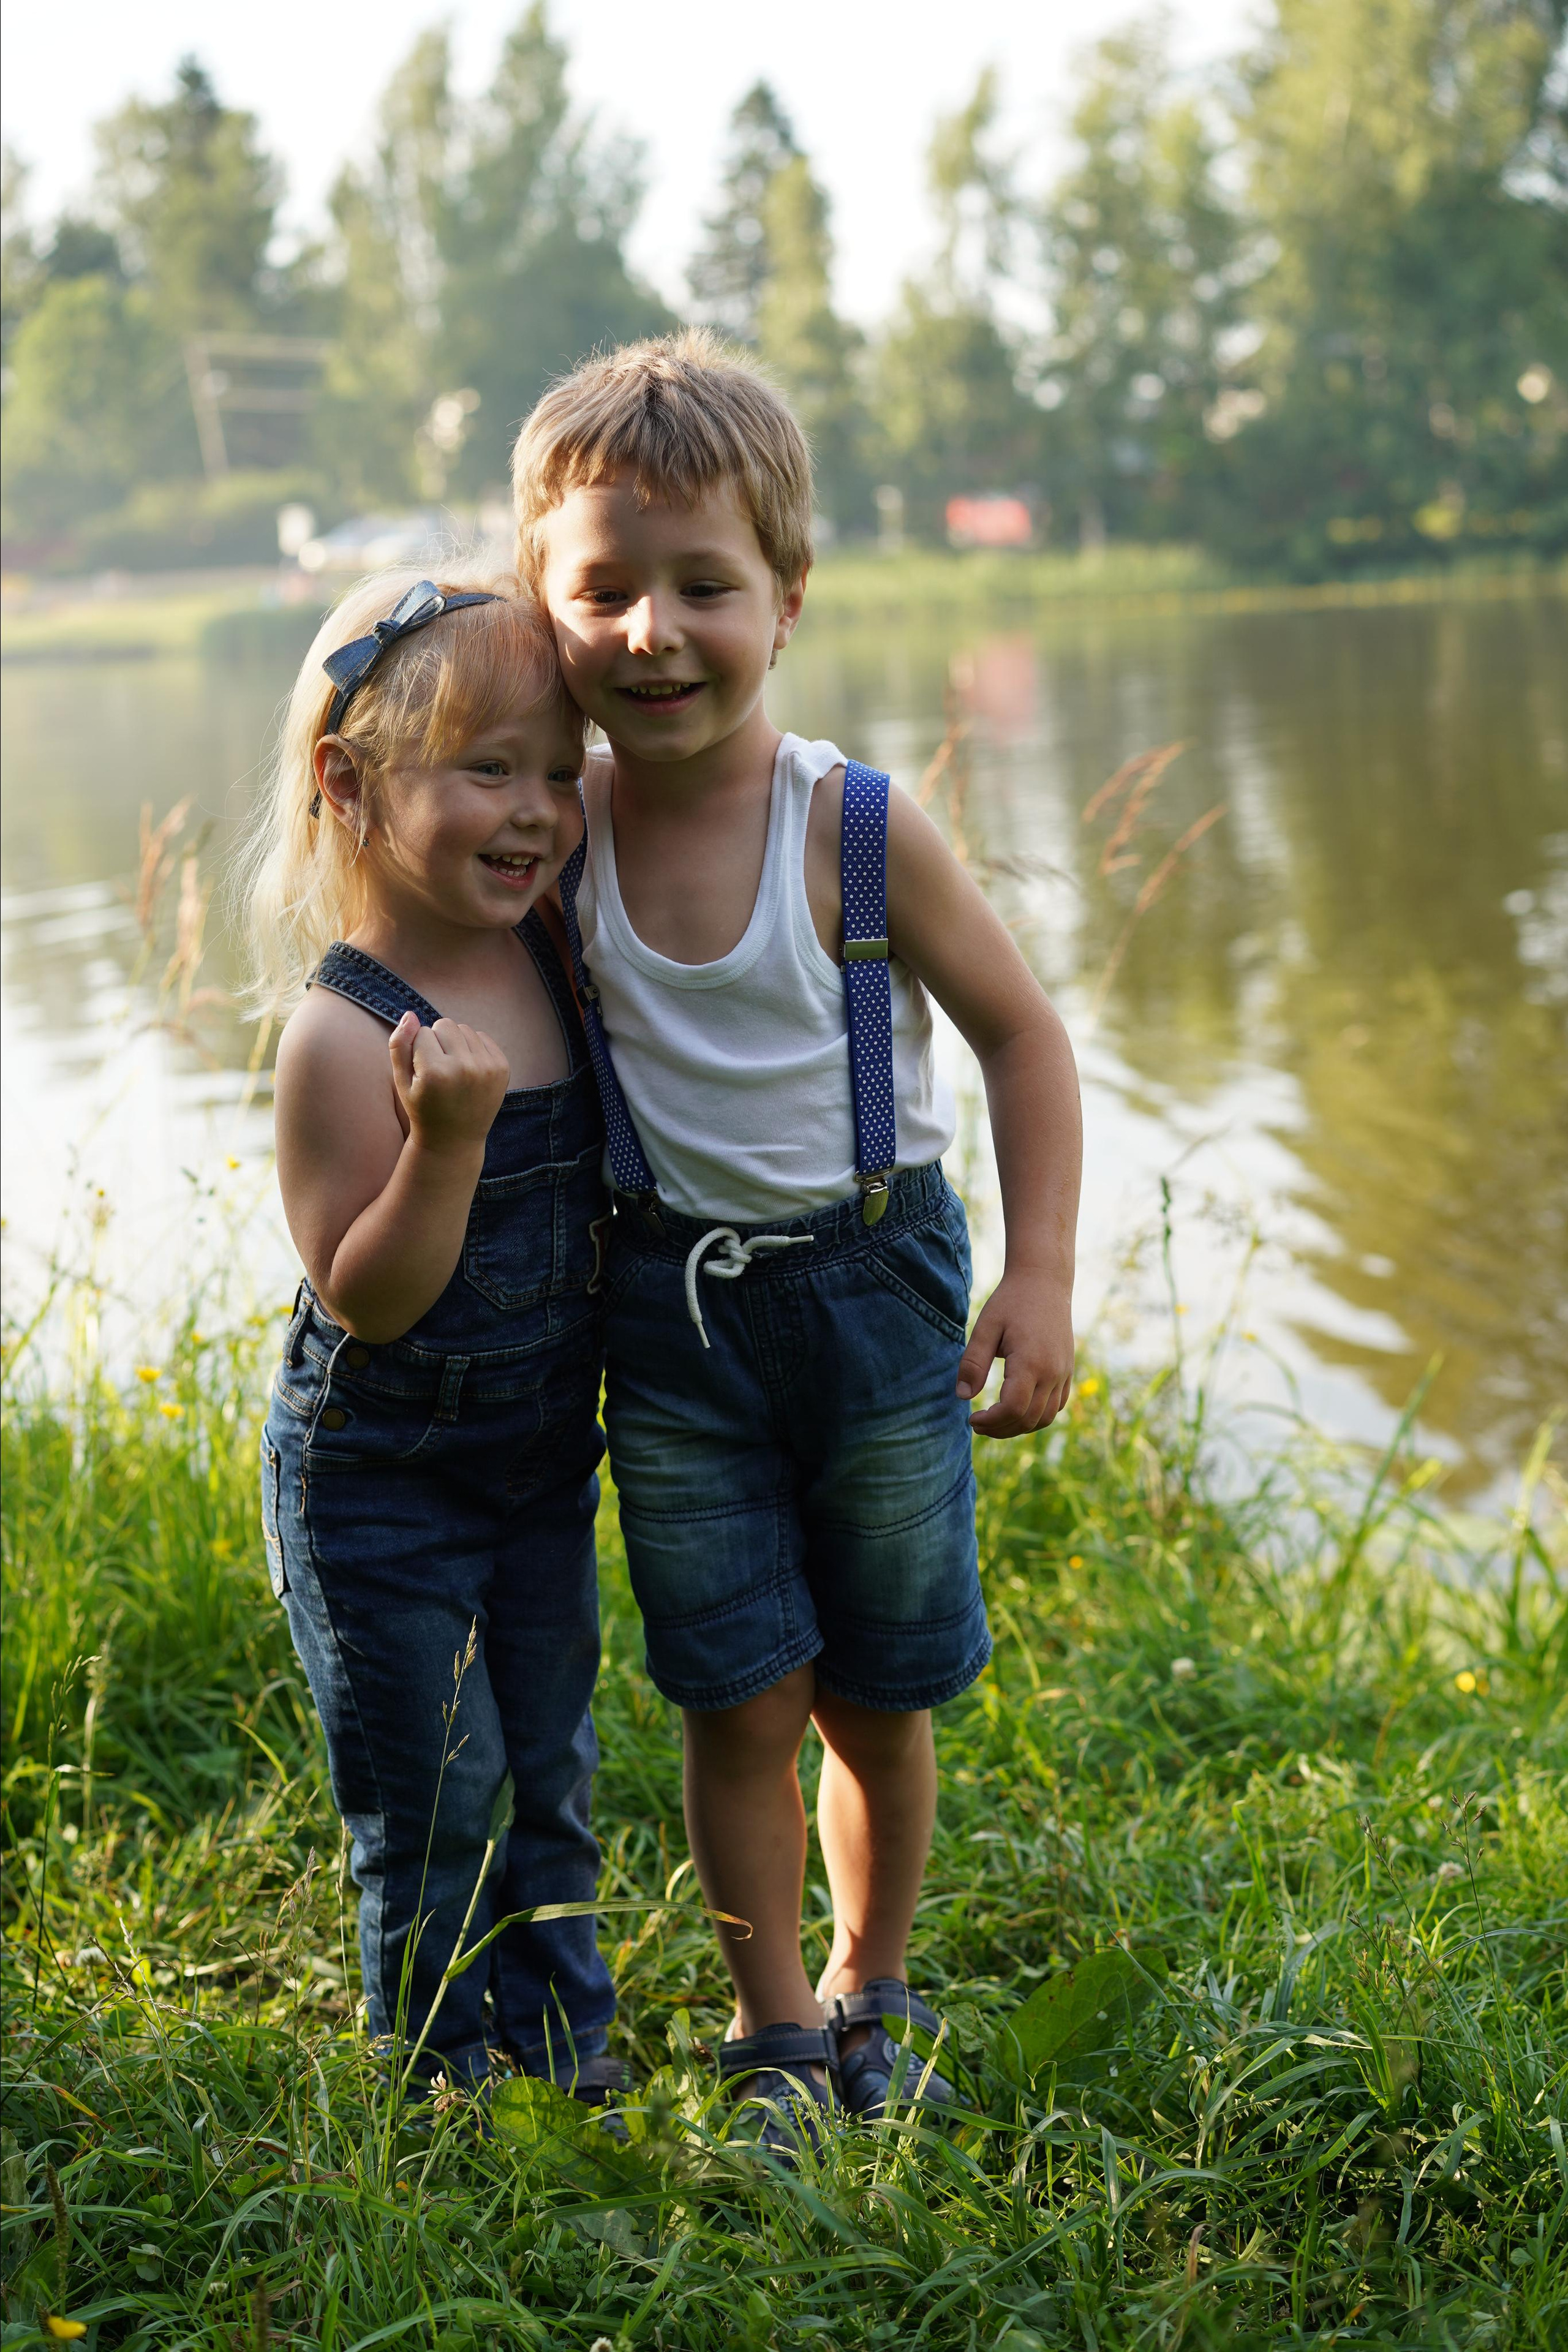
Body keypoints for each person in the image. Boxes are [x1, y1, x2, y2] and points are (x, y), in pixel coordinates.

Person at [511, 330, 1083, 2150]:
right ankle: (773, 2032)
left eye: (704, 588)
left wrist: (1044, 1270)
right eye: (600, 591)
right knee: (733, 1689)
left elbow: (1024, 1036)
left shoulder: (852, 827)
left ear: (791, 601)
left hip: (875, 1295)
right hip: (669, 1321)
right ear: (540, 602)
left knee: (874, 1691)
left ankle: (873, 1981)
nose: (650, 634)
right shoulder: (554, 841)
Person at [239, 568, 624, 2101]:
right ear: (348, 782)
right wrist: (446, 1145)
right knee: (433, 1791)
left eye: (552, 770)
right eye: (486, 771)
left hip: (536, 1469)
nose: (534, 812)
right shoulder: (340, 1033)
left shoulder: (548, 948)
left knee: (550, 1769)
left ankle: (567, 2055)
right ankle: (451, 2083)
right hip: (378, 1487)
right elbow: (368, 1292)